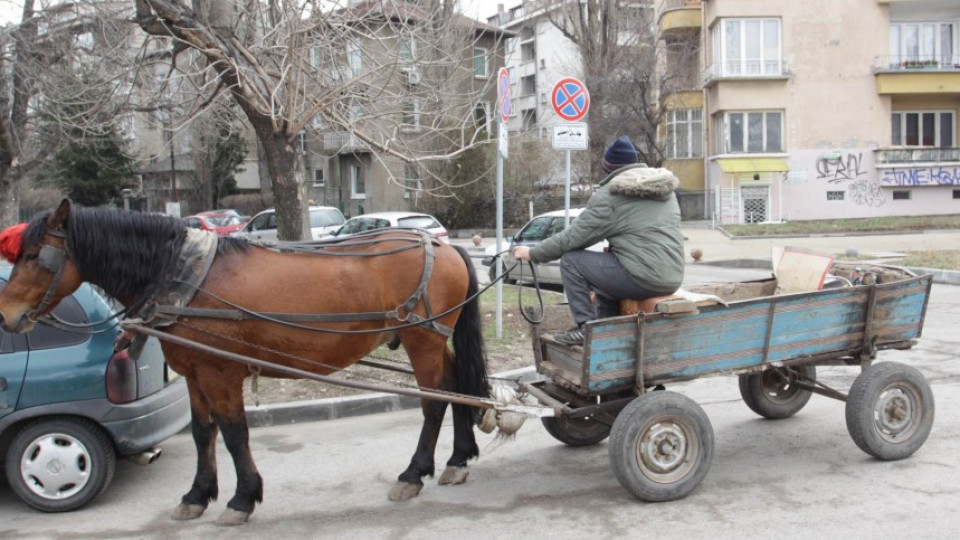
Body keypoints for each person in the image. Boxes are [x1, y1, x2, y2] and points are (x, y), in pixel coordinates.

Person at [512, 135, 685, 345]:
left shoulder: (612, 195)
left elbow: (573, 238)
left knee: (571, 260)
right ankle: (608, 332)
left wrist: (532, 253)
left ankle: (585, 328)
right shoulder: (666, 191)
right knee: (603, 283)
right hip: (673, 276)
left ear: (609, 170)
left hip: (644, 277)